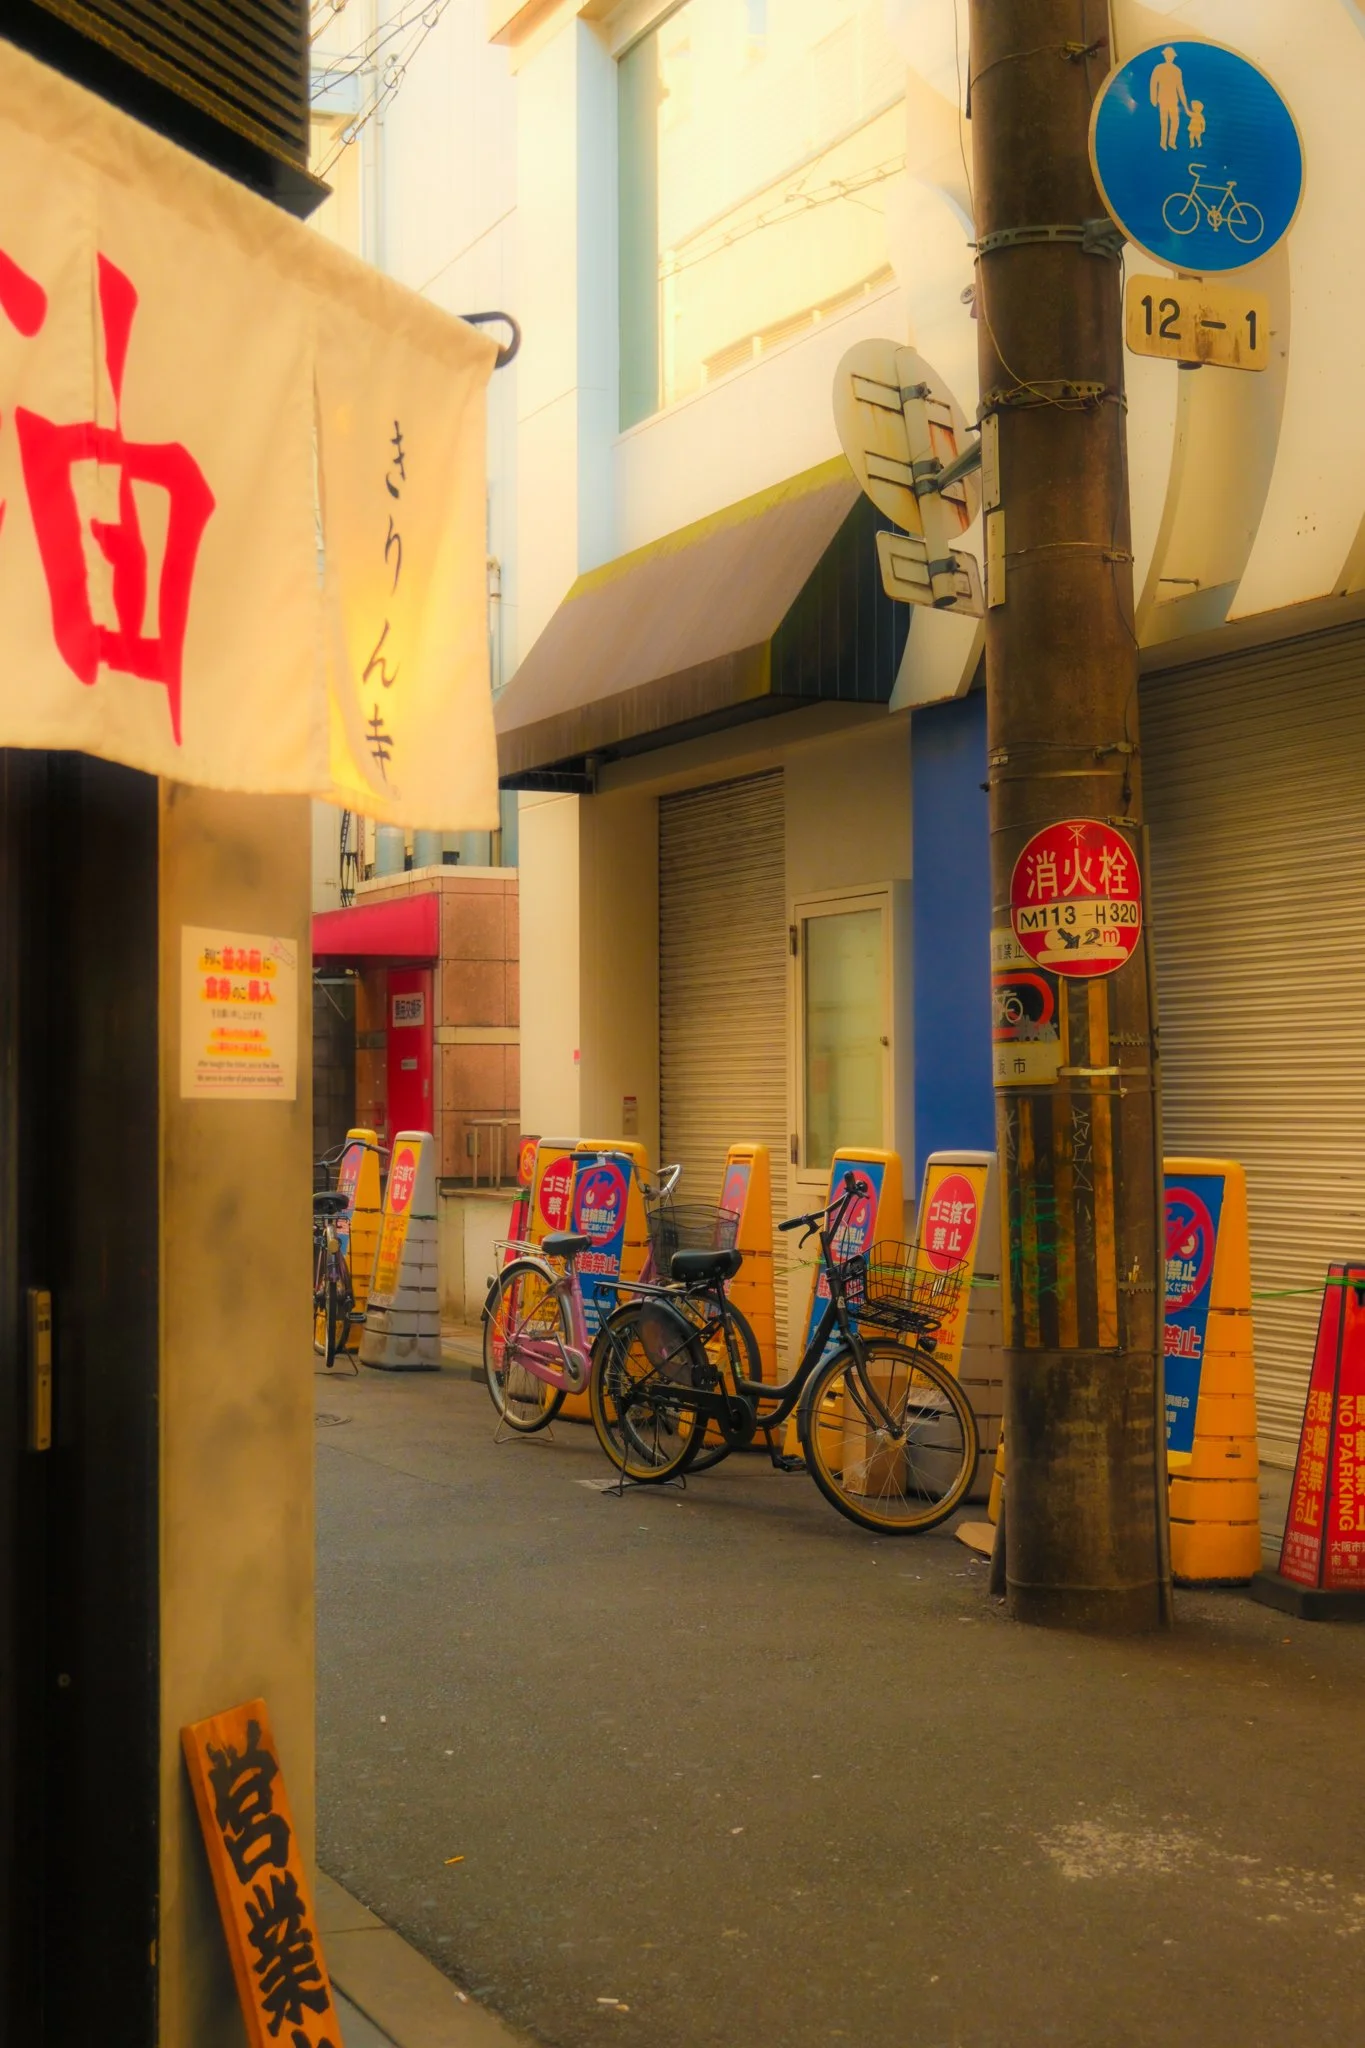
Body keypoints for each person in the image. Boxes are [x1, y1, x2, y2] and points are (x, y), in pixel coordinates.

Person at [1150, 47, 1191, 151]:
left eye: (1171, 56)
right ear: (1164, 56)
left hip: (1174, 100)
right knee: (1164, 122)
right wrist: (1153, 98)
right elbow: (1153, 83)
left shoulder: (1177, 70)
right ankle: (1163, 143)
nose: (1170, 58)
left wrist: (1185, 105)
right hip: (1163, 100)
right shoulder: (1158, 68)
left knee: (1175, 121)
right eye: (1168, 55)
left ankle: (1172, 142)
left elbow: (1180, 88)